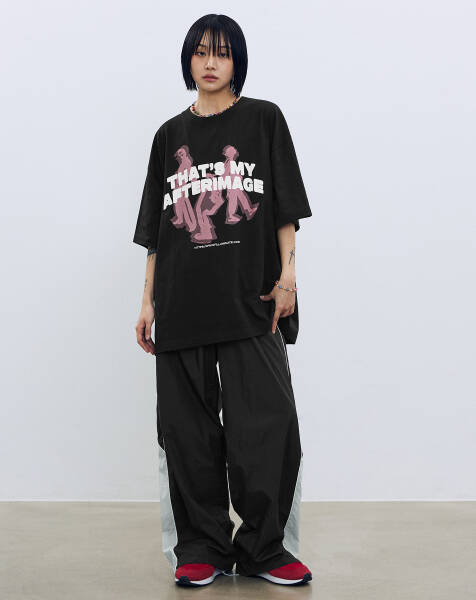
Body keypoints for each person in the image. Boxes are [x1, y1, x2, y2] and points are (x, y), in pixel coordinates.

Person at [133, 13, 313, 587]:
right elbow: (157, 233)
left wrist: (288, 276)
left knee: (268, 425)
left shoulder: (264, 119)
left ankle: (266, 548)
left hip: (251, 300)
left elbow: (285, 210)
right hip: (182, 304)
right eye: (201, 52)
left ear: (238, 61)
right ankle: (201, 547)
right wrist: (147, 301)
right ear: (188, 59)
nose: (211, 63)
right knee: (185, 433)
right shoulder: (168, 136)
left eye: (223, 52)